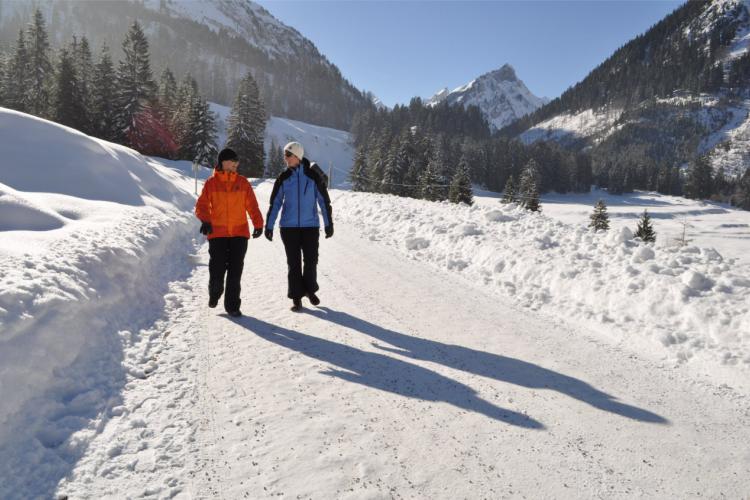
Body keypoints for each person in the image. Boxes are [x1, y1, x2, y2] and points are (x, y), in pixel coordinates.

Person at [265, 141, 333, 312]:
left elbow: (324, 201)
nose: (285, 158)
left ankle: (310, 290)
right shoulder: (283, 178)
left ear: (297, 156)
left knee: (311, 261)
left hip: (310, 227)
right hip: (289, 228)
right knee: (293, 263)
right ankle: (296, 297)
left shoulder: (313, 176)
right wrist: (269, 225)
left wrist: (328, 223)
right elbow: (275, 203)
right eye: (284, 155)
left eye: (287, 155)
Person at [195, 148, 264, 317]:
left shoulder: (243, 182)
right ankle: (215, 292)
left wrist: (258, 224)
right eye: (233, 160)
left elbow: (252, 206)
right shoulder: (211, 183)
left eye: (237, 161)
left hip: (239, 234)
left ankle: (232, 306)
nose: (236, 164)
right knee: (217, 269)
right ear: (223, 162)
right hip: (217, 234)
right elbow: (202, 205)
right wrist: (205, 220)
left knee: (235, 271)